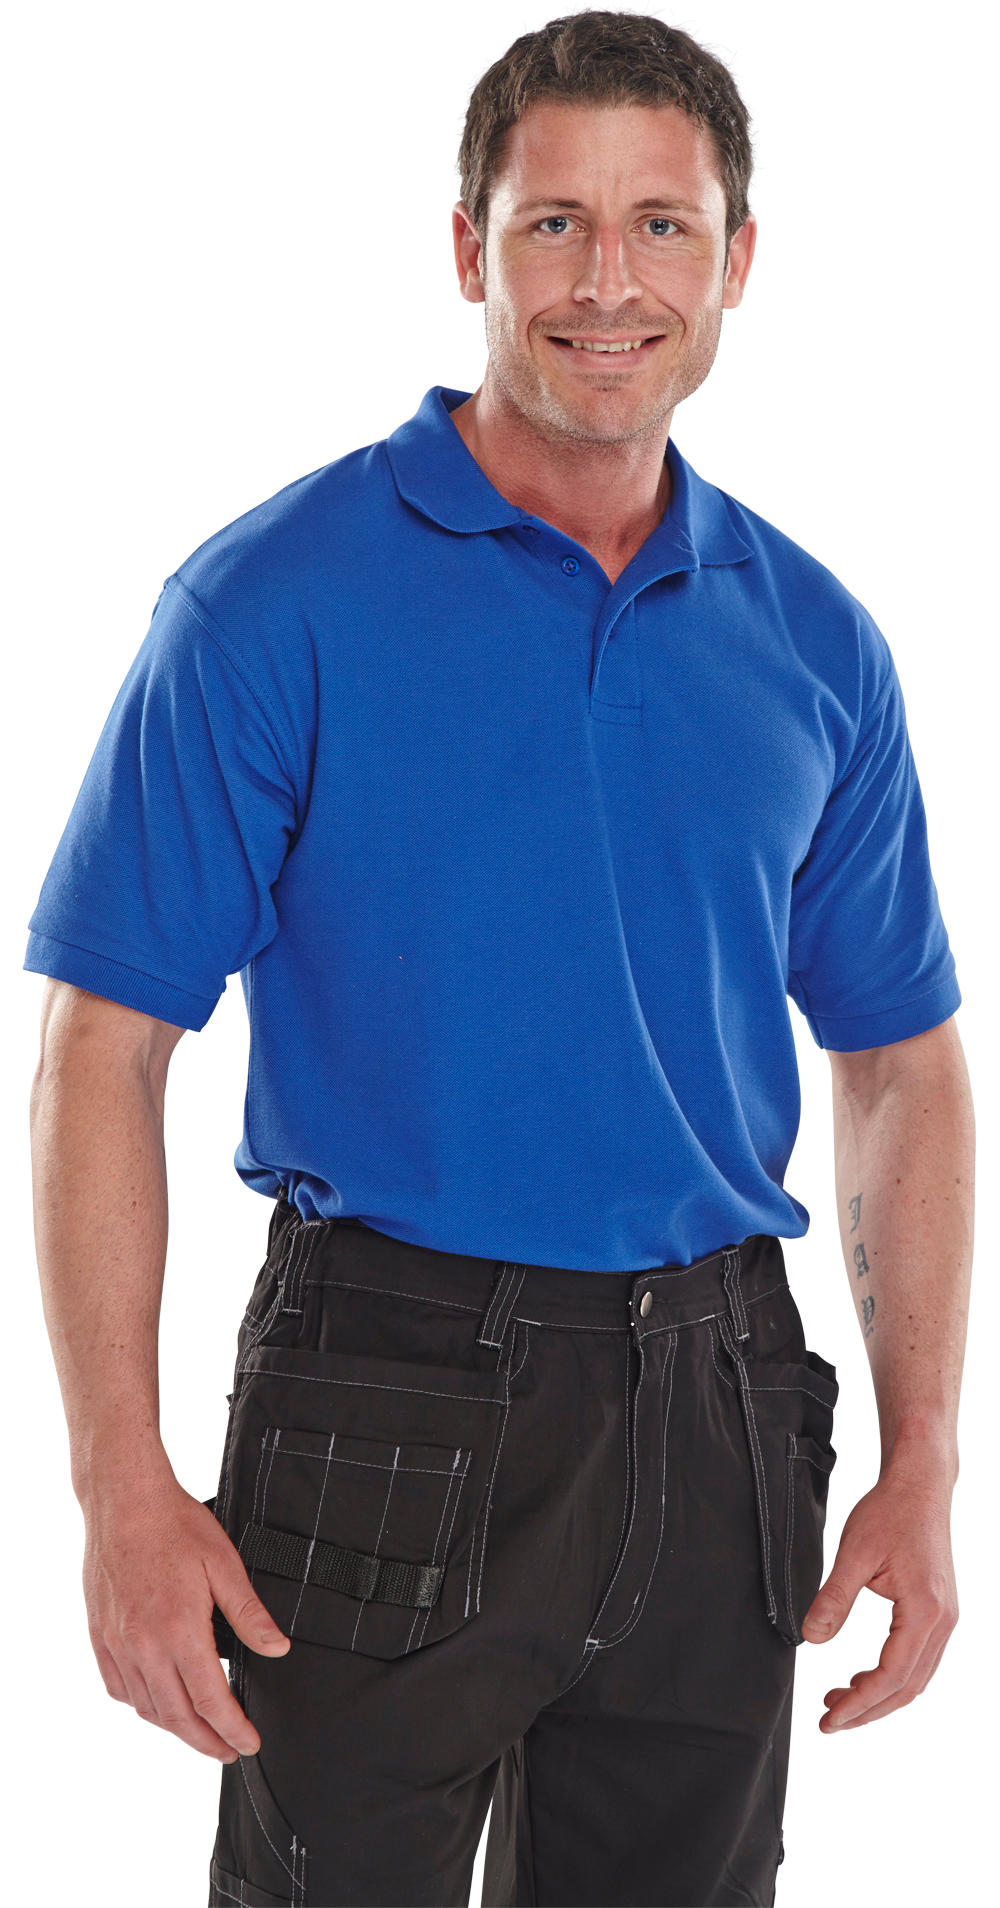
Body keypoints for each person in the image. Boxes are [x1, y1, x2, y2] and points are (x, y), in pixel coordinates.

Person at [24, 10, 973, 1906]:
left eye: (663, 225)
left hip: (722, 1407)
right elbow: (100, 1049)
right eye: (555, 224)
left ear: (738, 262)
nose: (610, 282)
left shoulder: (816, 642)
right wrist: (118, 1480)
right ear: (470, 248)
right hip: (382, 1389)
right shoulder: (272, 602)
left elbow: (900, 1064)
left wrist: (926, 1452)